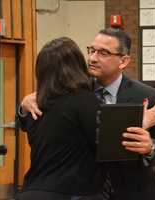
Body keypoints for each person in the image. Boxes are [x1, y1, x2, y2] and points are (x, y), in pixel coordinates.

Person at [18, 28, 155, 200]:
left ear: (123, 61)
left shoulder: (146, 96)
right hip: (84, 192)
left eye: (103, 53)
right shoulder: (72, 89)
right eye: (91, 50)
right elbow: (39, 123)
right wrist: (24, 107)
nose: (92, 58)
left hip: (133, 192)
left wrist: (150, 147)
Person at [16, 37, 107, 200]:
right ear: (76, 66)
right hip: (72, 192)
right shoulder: (84, 100)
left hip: (31, 190)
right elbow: (104, 145)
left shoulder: (34, 104)